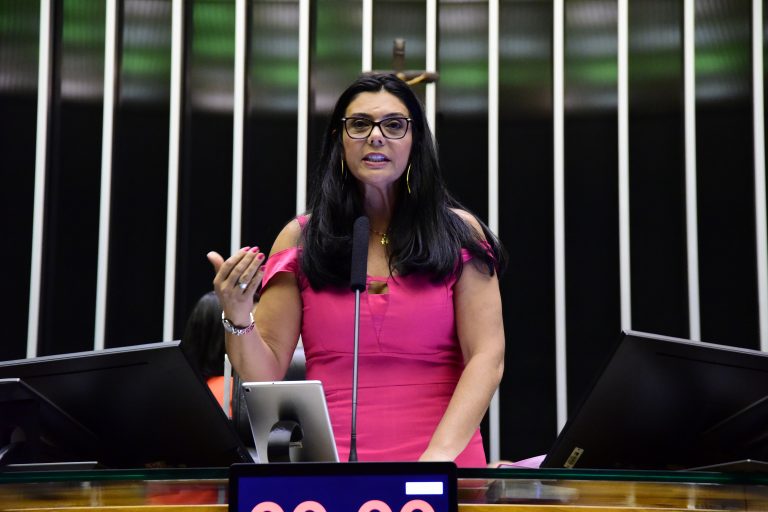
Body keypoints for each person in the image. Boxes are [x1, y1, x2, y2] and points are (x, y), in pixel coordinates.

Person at [207, 72, 506, 467]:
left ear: (415, 141)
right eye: (360, 124)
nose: (376, 136)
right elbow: (265, 371)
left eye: (394, 125)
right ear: (339, 139)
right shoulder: (301, 237)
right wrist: (238, 313)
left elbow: (488, 355)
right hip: (329, 467)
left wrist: (438, 457)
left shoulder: (457, 232)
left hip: (442, 460)